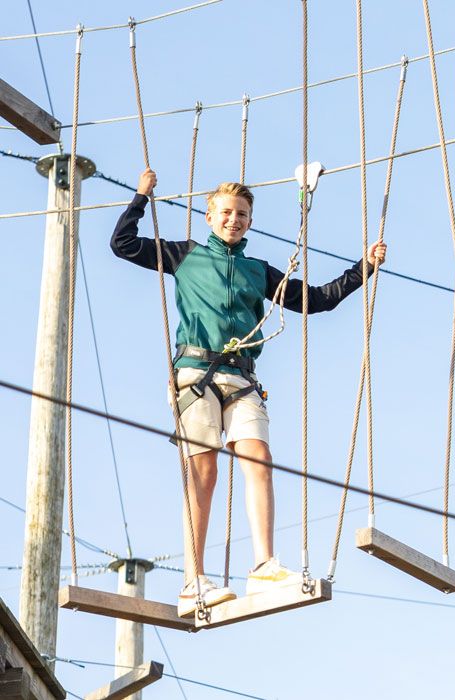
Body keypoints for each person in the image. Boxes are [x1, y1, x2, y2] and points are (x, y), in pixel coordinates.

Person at [111, 168, 386, 617]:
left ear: (250, 222)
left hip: (242, 379)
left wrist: (364, 268)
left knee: (258, 459)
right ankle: (193, 577)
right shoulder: (185, 256)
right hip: (196, 374)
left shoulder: (259, 272)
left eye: (241, 214)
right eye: (225, 212)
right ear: (208, 217)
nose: (233, 220)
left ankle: (263, 564)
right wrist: (141, 197)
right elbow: (123, 245)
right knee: (205, 471)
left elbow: (317, 299)